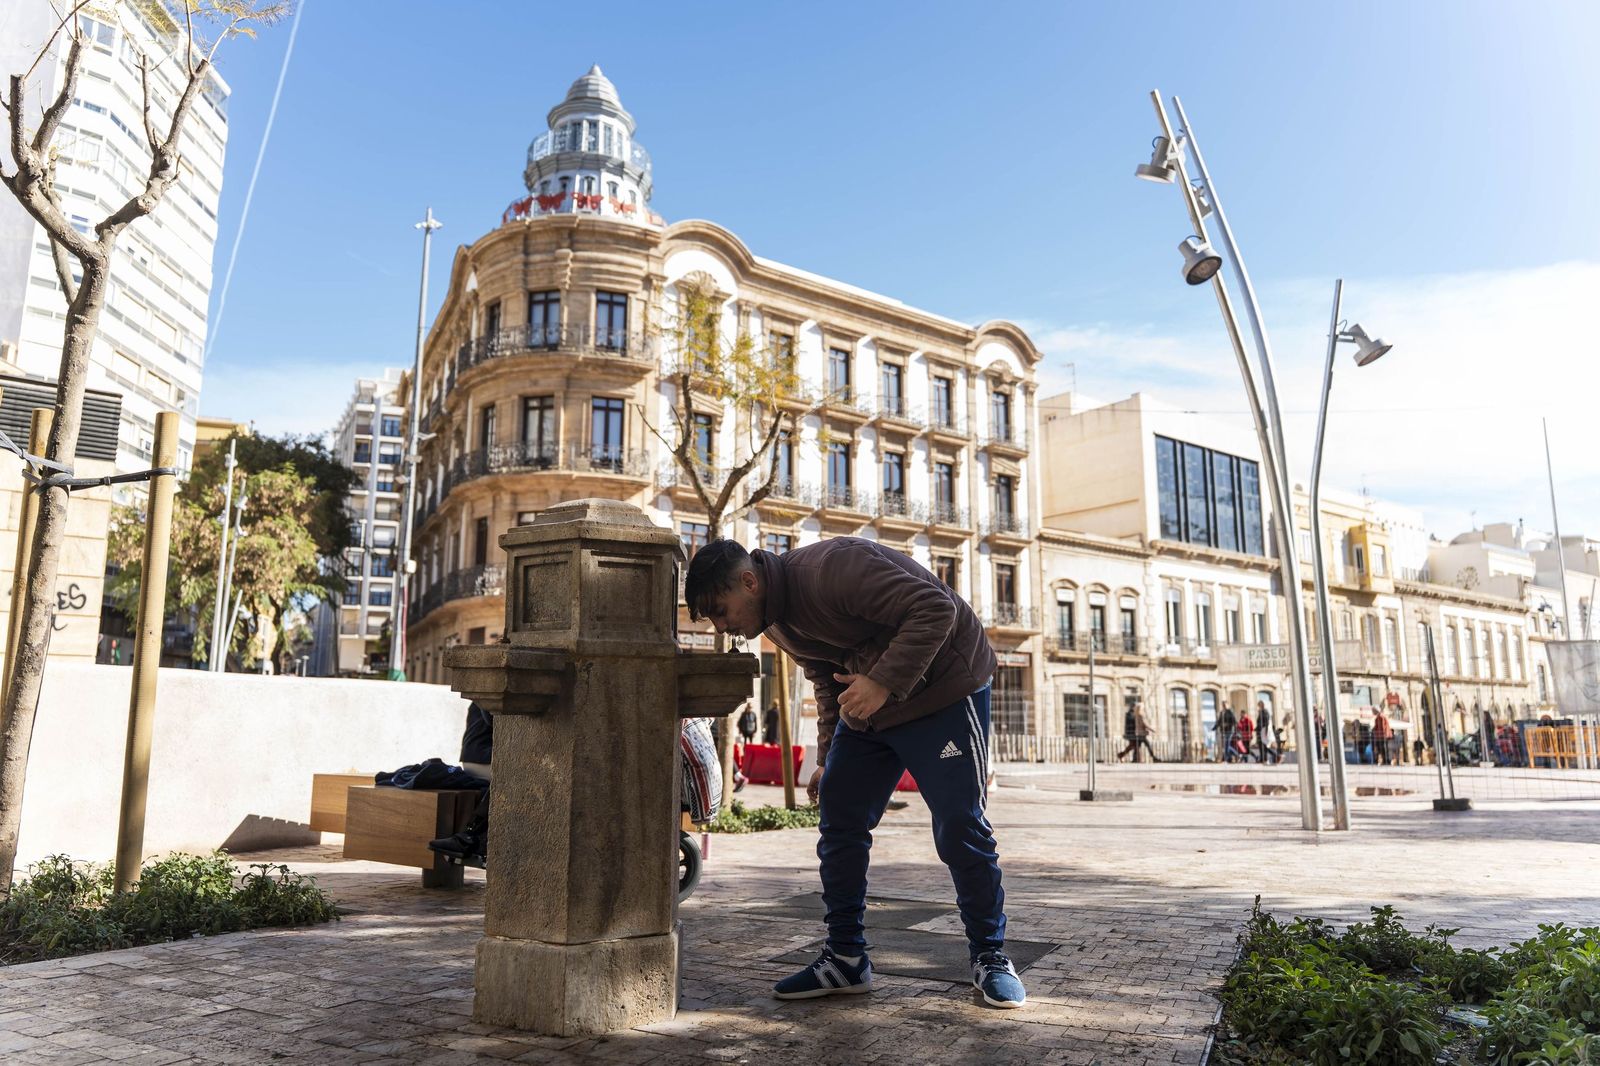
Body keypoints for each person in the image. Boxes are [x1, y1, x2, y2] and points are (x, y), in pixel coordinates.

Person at [684, 537, 1025, 1009]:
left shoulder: (832, 569)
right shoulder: (774, 620)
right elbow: (825, 678)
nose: (725, 627)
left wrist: (883, 682)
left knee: (959, 824)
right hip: (871, 702)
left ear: (748, 581)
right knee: (840, 812)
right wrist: (827, 756)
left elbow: (934, 609)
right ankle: (846, 958)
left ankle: (990, 955)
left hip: (944, 688)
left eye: (722, 611)